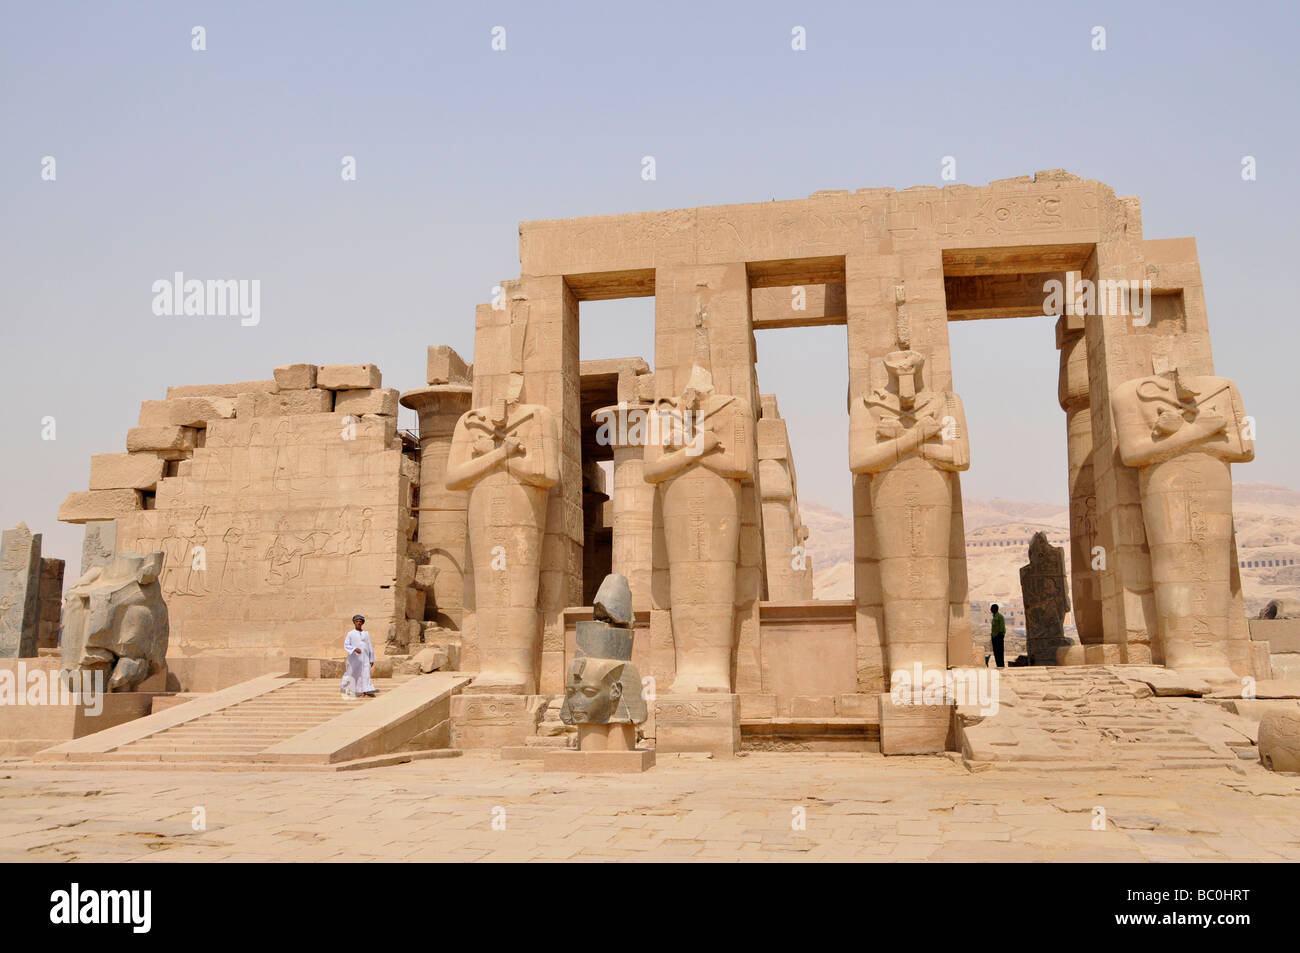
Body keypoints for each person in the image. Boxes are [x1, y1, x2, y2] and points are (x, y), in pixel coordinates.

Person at [341, 614, 375, 698]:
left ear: (362, 623)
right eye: (357, 621)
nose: (359, 623)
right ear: (354, 623)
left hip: (365, 658)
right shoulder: (350, 633)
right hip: (354, 658)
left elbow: (369, 645)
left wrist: (371, 658)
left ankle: (366, 690)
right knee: (351, 673)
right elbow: (346, 645)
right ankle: (348, 691)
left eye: (360, 621)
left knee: (365, 673)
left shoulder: (366, 633)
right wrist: (354, 649)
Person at [989, 604, 1006, 668]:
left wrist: (1000, 636)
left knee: (1000, 652)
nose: (990, 610)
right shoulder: (994, 617)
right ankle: (998, 665)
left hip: (999, 637)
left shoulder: (1000, 617)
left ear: (995, 609)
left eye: (991, 608)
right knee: (996, 652)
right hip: (994, 637)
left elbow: (1002, 627)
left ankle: (1001, 665)